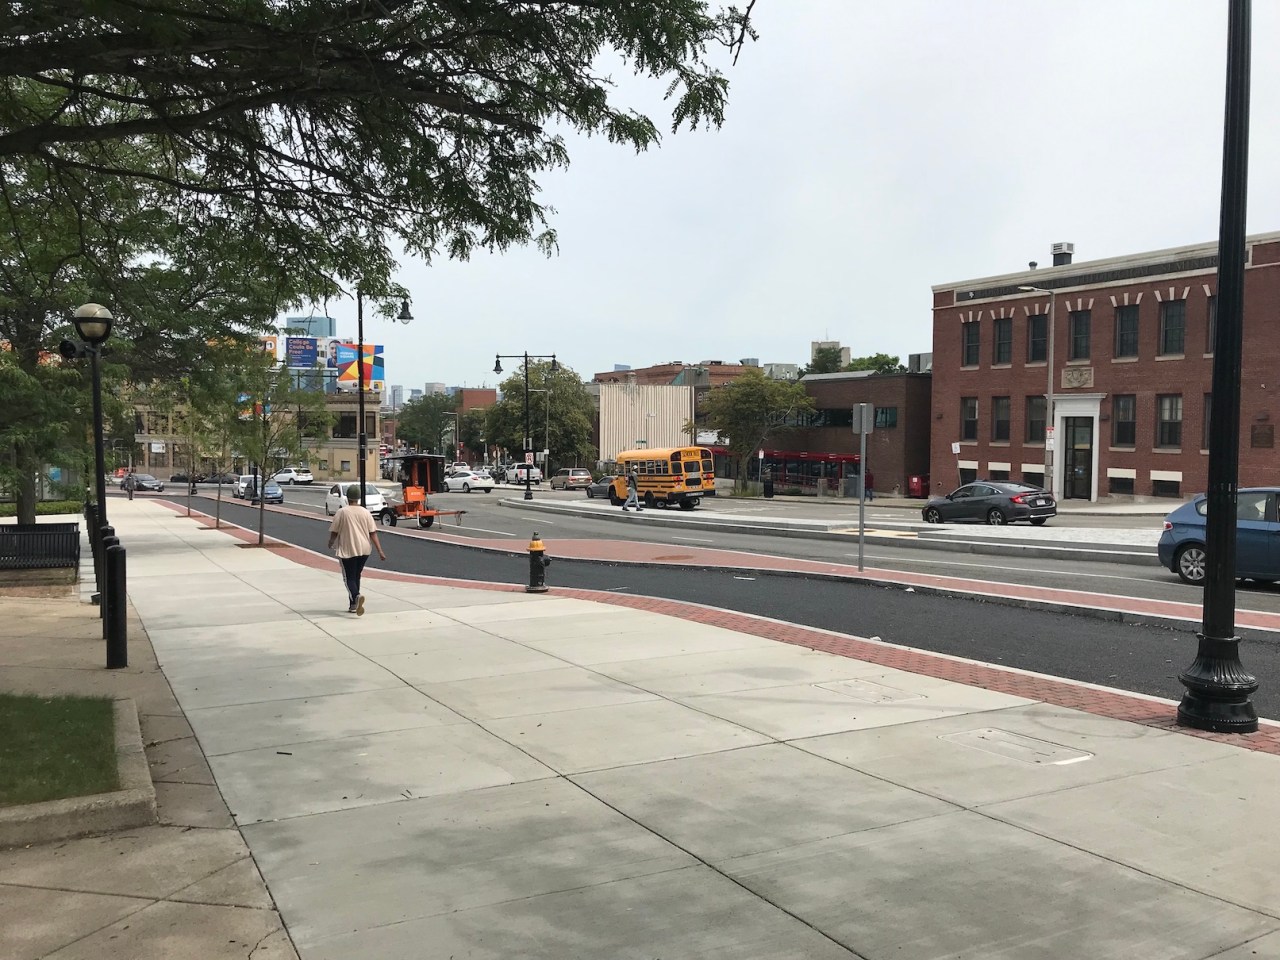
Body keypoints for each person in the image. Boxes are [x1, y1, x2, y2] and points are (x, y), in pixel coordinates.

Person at [327, 484, 386, 615]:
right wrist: (380, 551)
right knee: (356, 575)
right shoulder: (365, 512)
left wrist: (330, 543)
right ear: (359, 498)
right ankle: (353, 605)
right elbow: (373, 533)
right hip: (364, 549)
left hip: (348, 549)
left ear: (348, 498)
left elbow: (334, 532)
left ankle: (356, 596)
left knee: (348, 578)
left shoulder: (342, 512)